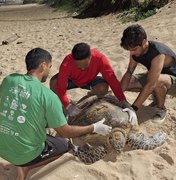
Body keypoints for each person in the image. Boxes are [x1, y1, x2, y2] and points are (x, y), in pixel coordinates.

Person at [0, 48, 113, 180]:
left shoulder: (9, 80)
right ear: (43, 66)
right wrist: (94, 127)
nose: (49, 70)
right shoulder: (48, 96)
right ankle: (25, 166)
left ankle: (23, 161)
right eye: (49, 66)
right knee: (64, 144)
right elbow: (66, 132)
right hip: (24, 155)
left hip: (2, 147)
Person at [50, 42, 137, 123]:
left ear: (90, 57)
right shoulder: (67, 62)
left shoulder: (100, 59)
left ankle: (90, 101)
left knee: (102, 88)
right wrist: (68, 105)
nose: (82, 68)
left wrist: (124, 101)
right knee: (54, 83)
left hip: (91, 79)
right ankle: (64, 111)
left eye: (85, 66)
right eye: (79, 66)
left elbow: (112, 80)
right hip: (73, 80)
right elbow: (61, 88)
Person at [120, 24, 176, 123]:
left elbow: (151, 83)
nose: (132, 53)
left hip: (172, 80)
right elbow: (129, 72)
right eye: (130, 50)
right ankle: (157, 94)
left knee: (156, 82)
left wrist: (133, 108)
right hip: (155, 75)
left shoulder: (158, 53)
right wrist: (118, 96)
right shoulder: (135, 49)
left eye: (134, 50)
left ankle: (161, 108)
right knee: (128, 82)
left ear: (144, 42)